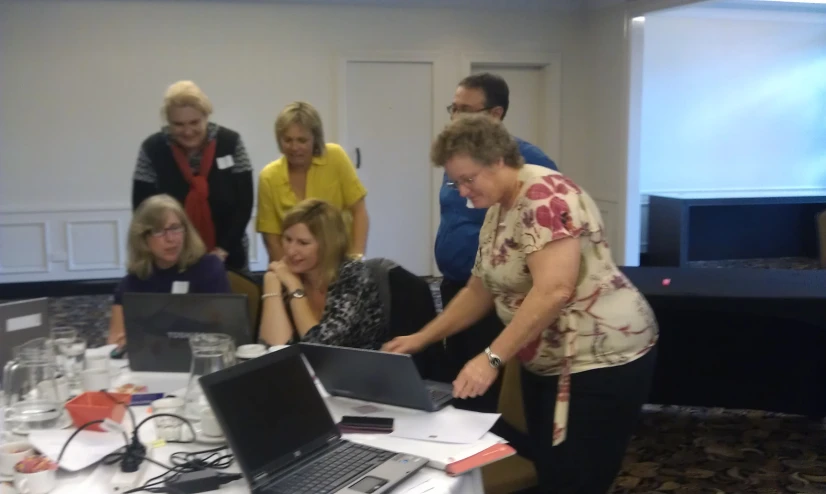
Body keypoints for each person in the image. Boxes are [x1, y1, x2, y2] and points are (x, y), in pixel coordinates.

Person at [384, 115, 658, 494]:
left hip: (600, 360)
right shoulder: (500, 206)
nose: (461, 191)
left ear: (498, 160)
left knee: (578, 478)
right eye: (454, 181)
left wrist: (491, 357)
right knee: (550, 470)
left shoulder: (546, 196)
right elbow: (480, 290)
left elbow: (554, 290)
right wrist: (422, 337)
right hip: (548, 360)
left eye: (468, 179)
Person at [436, 73, 559, 456]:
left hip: (500, 297)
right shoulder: (460, 161)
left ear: (496, 114)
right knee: (459, 385)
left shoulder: (530, 164)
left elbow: (550, 255)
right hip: (460, 285)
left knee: (488, 395)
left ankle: (504, 464)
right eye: (452, 108)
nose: (455, 117)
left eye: (465, 110)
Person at [132, 80, 254, 272]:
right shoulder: (152, 149)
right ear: (168, 122)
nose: (188, 131)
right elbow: (142, 210)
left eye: (194, 122)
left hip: (228, 253)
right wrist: (167, 252)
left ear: (206, 116)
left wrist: (222, 250)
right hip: (169, 257)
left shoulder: (231, 143)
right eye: (178, 124)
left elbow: (244, 203)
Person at [258, 199, 385, 350]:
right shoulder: (285, 273)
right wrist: (271, 283)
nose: (291, 251)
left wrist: (295, 288)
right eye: (288, 239)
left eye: (303, 243)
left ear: (328, 246)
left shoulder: (353, 276)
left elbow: (320, 349)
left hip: (358, 370)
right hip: (306, 370)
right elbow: (272, 349)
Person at [108, 194, 231, 347]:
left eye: (175, 228)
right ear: (143, 238)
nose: (171, 239)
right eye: (159, 231)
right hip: (150, 365)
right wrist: (123, 343)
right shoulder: (133, 281)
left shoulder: (209, 269)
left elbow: (224, 332)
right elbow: (114, 342)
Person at [256, 101, 369, 263]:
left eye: (302, 140)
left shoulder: (335, 157)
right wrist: (290, 276)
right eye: (288, 140)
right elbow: (272, 238)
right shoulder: (268, 177)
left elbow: (359, 211)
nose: (294, 147)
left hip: (339, 262)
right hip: (293, 267)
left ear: (315, 139)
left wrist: (357, 260)